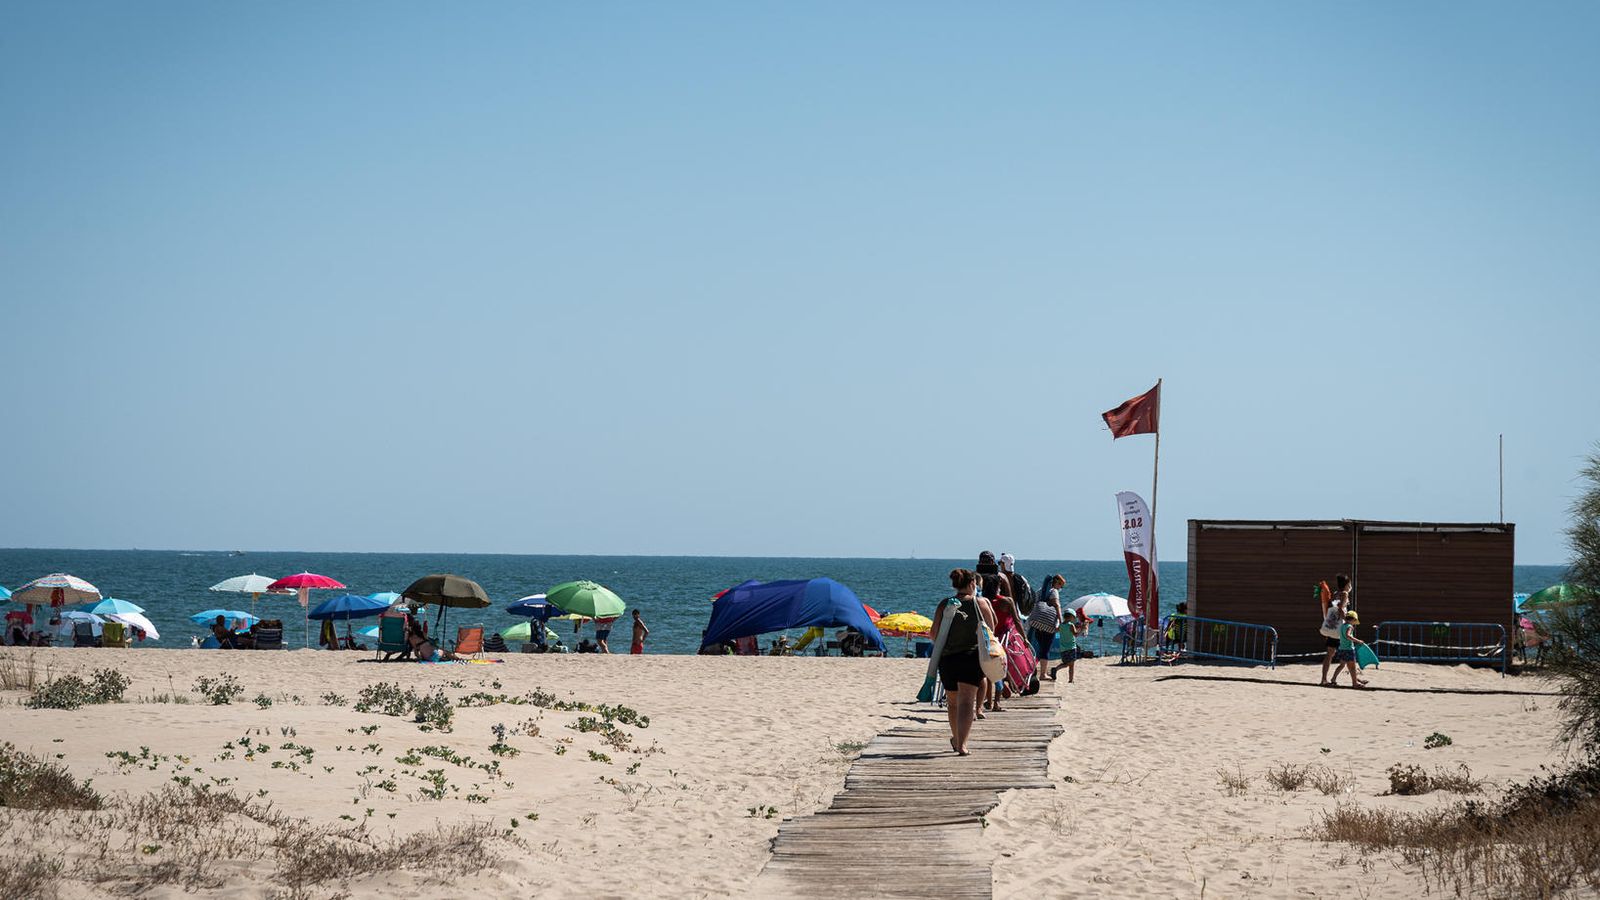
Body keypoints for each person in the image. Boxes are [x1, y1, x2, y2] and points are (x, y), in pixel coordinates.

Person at [929, 568, 996, 756]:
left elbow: (933, 634)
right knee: (967, 702)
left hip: (948, 659)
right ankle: (962, 745)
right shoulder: (980, 603)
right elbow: (991, 630)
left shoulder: (944, 604)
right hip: (971, 657)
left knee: (952, 703)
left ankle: (956, 738)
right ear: (973, 583)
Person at [1027, 575, 1065, 681]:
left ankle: (1031, 670)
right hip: (1048, 625)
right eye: (1061, 585)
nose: (1060, 588)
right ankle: (1043, 674)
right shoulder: (1054, 591)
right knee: (1045, 649)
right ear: (1056, 583)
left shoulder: (1041, 590)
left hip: (1037, 624)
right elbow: (1057, 605)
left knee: (1037, 649)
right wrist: (1061, 621)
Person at [1320, 575, 1352, 687]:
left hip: (1331, 627)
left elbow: (1331, 607)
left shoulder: (1335, 593)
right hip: (1340, 629)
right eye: (1349, 584)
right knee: (1348, 654)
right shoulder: (1345, 594)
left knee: (1329, 654)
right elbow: (1341, 609)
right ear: (1346, 584)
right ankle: (1354, 680)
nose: (1350, 586)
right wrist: (1347, 621)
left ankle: (1324, 679)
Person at [1335, 610, 1370, 688]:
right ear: (1353, 619)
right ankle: (1355, 684)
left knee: (1341, 665)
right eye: (1355, 621)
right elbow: (1348, 636)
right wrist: (1358, 641)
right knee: (1353, 667)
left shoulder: (1342, 626)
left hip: (1341, 648)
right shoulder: (1350, 626)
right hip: (1349, 649)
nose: (1355, 623)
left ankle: (1333, 679)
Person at [1049, 611, 1088, 682]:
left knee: (1066, 664)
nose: (1074, 619)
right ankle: (1071, 680)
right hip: (1071, 647)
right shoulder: (1071, 625)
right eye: (1074, 617)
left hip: (1063, 648)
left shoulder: (1061, 625)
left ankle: (1055, 669)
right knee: (1071, 665)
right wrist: (1082, 629)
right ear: (1071, 617)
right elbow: (1076, 634)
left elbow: (1056, 630)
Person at [1000, 553, 1036, 618]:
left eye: (1000, 563)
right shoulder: (1019, 578)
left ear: (1003, 564)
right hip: (1015, 612)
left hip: (1003, 612)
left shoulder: (1001, 578)